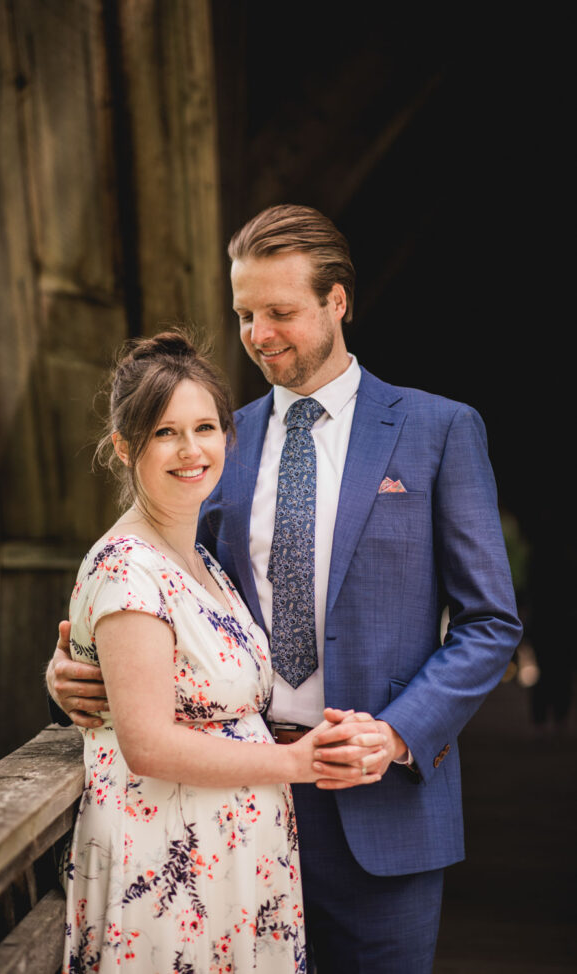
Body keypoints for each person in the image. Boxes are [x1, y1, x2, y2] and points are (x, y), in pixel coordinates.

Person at [49, 206, 522, 973]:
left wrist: (396, 734)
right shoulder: (214, 444)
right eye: (244, 314)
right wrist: (75, 667)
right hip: (231, 812)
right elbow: (167, 591)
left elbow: (490, 623)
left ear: (338, 302)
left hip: (384, 803)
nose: (259, 334)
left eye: (280, 312)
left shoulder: (439, 430)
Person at [57, 331, 374, 974]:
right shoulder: (128, 568)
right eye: (164, 432)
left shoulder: (200, 561)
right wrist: (296, 762)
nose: (191, 449)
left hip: (231, 863)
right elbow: (148, 744)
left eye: (205, 427)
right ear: (124, 447)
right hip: (170, 871)